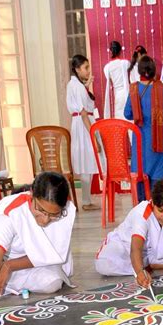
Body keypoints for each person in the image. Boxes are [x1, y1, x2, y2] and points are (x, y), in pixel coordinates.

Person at [0, 172, 76, 298]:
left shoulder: (65, 212)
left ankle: (1, 277)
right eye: (40, 210)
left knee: (52, 282)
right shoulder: (9, 215)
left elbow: (51, 254)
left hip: (26, 263)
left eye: (53, 215)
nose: (45, 220)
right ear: (32, 194)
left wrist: (9, 266)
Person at [124, 56, 163, 199]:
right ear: (153, 70)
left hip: (140, 140)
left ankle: (142, 209)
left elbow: (127, 114)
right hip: (157, 139)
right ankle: (157, 209)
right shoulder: (160, 88)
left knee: (140, 173)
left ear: (139, 70)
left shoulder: (133, 89)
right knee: (157, 178)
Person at [66, 54, 100, 211]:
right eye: (85, 68)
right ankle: (86, 201)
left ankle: (86, 200)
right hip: (84, 124)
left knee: (86, 160)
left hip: (80, 123)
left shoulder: (75, 85)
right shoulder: (77, 87)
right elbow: (84, 112)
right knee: (87, 159)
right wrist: (93, 136)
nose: (88, 71)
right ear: (77, 69)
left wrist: (87, 85)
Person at [104, 41, 130, 119]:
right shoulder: (125, 63)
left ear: (111, 51)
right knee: (128, 117)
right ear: (120, 51)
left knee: (119, 118)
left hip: (117, 94)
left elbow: (111, 82)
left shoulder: (107, 67)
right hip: (126, 92)